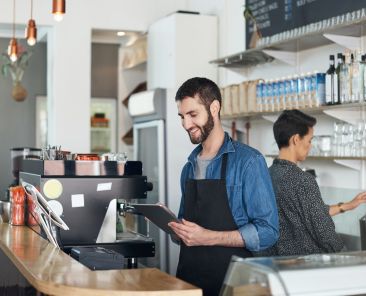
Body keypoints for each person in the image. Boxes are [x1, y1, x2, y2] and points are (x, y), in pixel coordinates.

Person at [168, 77, 279, 296]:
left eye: (192, 115)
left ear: (214, 108)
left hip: (234, 284)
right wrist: (176, 229)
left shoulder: (248, 162)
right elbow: (186, 228)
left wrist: (208, 237)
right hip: (189, 281)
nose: (186, 124)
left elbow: (268, 231)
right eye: (182, 117)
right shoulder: (188, 168)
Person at [265, 109, 366, 256]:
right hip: (305, 266)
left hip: (280, 263)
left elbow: (310, 212)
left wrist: (346, 206)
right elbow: (323, 231)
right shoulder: (303, 180)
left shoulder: (267, 175)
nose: (311, 145)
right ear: (296, 139)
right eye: (309, 140)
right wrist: (346, 257)